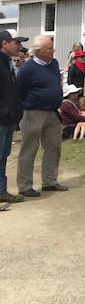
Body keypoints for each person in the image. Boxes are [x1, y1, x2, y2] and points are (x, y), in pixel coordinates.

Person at [16, 35, 68, 196]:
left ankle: (50, 181)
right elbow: (19, 91)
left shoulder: (54, 64)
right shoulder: (27, 68)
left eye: (52, 47)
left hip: (52, 112)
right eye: (49, 48)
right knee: (29, 149)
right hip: (33, 112)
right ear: (38, 51)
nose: (53, 50)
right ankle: (25, 186)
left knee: (53, 146)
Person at [0, 30, 27, 205]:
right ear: (4, 43)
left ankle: (1, 191)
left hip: (8, 118)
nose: (19, 46)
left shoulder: (8, 63)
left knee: (3, 155)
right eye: (15, 42)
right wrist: (5, 112)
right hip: (2, 118)